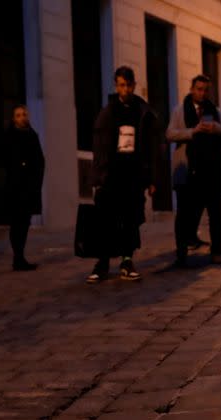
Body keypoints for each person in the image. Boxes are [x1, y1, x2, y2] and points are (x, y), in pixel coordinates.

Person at [86, 66, 159, 284]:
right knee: (106, 219)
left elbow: (152, 149)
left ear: (134, 85)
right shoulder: (108, 112)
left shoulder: (143, 112)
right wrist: (98, 177)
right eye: (121, 85)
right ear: (116, 86)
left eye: (128, 85)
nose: (125, 89)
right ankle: (102, 263)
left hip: (133, 174)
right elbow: (98, 147)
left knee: (130, 219)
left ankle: (127, 261)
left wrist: (151, 179)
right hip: (111, 174)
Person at [167, 74, 221, 267]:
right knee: (184, 214)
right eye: (199, 89)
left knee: (215, 213)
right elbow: (170, 134)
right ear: (192, 89)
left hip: (211, 170)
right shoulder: (179, 111)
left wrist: (217, 128)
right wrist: (192, 131)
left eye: (205, 90)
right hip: (188, 170)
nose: (202, 93)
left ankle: (217, 251)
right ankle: (181, 253)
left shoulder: (217, 112)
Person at [3, 105, 44, 271]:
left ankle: (20, 257)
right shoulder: (9, 136)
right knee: (16, 222)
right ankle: (18, 257)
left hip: (29, 187)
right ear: (14, 118)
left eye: (24, 114)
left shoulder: (32, 135)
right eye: (19, 115)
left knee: (25, 222)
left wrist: (36, 181)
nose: (22, 117)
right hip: (15, 186)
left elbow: (39, 160)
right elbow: (4, 158)